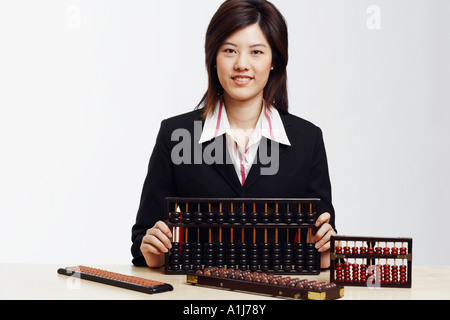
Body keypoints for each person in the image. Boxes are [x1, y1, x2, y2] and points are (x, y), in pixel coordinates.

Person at [131, 0, 336, 269]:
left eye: (256, 52)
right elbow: (143, 239)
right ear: (213, 58)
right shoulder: (176, 135)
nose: (242, 64)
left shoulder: (307, 140)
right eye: (229, 50)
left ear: (274, 60)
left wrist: (324, 252)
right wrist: (152, 250)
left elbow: (325, 241)